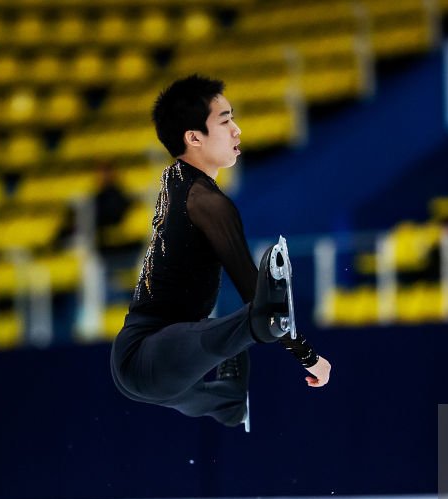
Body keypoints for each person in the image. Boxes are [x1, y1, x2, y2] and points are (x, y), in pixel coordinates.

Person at [109, 75, 331, 430]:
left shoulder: (175, 178)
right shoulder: (207, 202)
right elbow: (252, 290)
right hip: (151, 355)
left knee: (213, 373)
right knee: (253, 316)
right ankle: (233, 378)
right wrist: (308, 356)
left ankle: (230, 402)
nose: (237, 130)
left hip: (154, 361)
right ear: (193, 137)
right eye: (225, 120)